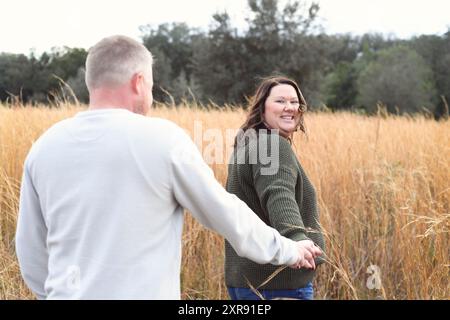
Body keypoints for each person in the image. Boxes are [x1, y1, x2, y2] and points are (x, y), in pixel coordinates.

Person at [15, 36, 321, 300]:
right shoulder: (162, 139)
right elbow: (226, 213)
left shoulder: (44, 147)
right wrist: (288, 249)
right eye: (150, 84)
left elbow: (30, 252)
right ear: (138, 82)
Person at [225, 76, 326, 300]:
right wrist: (296, 238)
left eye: (294, 101)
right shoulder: (272, 144)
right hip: (277, 282)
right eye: (280, 101)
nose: (290, 107)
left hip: (247, 280)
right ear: (262, 110)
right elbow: (278, 193)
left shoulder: (249, 144)